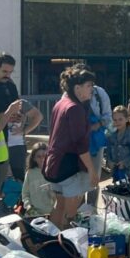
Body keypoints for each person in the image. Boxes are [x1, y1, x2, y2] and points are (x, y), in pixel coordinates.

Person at [43, 65, 99, 228]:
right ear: (77, 88)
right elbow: (80, 144)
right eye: (89, 86)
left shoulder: (61, 103)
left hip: (54, 164)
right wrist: (92, 170)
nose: (91, 90)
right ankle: (65, 246)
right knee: (70, 215)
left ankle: (51, 242)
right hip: (69, 166)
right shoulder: (74, 108)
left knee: (59, 207)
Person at [0, 53, 43, 183]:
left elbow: (20, 108)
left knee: (19, 177)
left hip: (15, 139)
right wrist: (5, 116)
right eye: (4, 71)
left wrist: (23, 125)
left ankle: (18, 202)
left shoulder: (10, 85)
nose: (8, 75)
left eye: (10, 72)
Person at [21, 142, 56, 219]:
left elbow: (60, 196)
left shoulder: (55, 172)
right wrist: (29, 206)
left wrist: (52, 192)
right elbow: (25, 194)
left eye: (44, 156)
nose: (42, 159)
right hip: (34, 214)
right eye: (38, 156)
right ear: (34, 158)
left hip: (52, 214)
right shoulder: (30, 173)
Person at [106, 106, 130, 181]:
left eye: (120, 119)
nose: (117, 122)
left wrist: (125, 163)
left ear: (126, 119)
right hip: (116, 173)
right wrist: (109, 162)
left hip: (129, 174)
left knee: (128, 191)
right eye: (115, 120)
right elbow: (108, 151)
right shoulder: (111, 136)